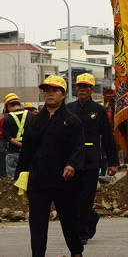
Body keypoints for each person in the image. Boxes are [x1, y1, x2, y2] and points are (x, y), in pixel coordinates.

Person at [15, 75, 85, 257]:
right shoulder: (34, 121)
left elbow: (79, 147)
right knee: (37, 222)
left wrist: (72, 165)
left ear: (63, 94)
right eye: (46, 91)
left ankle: (76, 252)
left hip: (64, 180)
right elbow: (26, 152)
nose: (50, 94)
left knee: (69, 220)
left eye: (55, 90)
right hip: (39, 180)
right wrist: (19, 176)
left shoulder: (72, 121)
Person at [67, 73, 118, 245]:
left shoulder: (99, 110)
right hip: (72, 160)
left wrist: (113, 163)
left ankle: (81, 232)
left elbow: (108, 138)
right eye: (79, 87)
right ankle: (91, 217)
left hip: (91, 159)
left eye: (85, 87)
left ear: (91, 89)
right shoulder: (69, 109)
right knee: (73, 196)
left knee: (86, 196)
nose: (81, 90)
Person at [2, 93, 34, 177]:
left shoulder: (7, 119)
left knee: (13, 179)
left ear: (8, 106)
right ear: (19, 103)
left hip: (13, 153)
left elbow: (8, 137)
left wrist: (21, 145)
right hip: (31, 152)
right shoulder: (32, 116)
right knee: (29, 179)